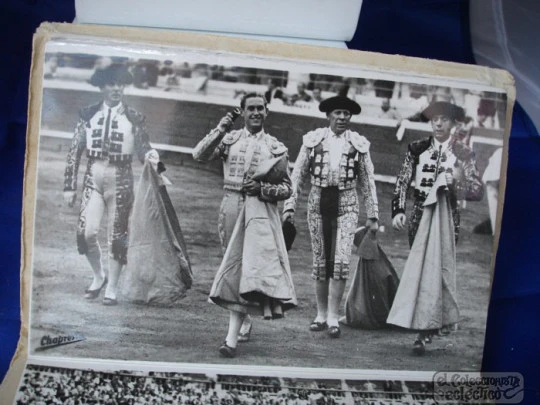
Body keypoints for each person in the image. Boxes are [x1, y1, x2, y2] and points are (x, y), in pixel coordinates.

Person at [193, 93, 295, 357]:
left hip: (258, 210)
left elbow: (287, 188)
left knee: (243, 267)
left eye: (260, 108)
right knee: (231, 263)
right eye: (251, 109)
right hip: (230, 203)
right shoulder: (230, 139)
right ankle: (243, 319)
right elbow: (199, 155)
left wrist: (262, 189)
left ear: (266, 112)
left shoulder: (275, 147)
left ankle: (230, 340)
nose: (256, 113)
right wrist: (221, 128)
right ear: (243, 111)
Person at [388, 101, 484, 355]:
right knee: (421, 269)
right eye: (434, 120)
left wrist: (457, 183)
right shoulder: (417, 148)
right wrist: (398, 210)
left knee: (440, 269)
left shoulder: (463, 153)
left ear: (453, 124)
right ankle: (424, 325)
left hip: (448, 214)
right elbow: (402, 181)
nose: (438, 124)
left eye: (443, 119)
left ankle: (426, 328)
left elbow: (476, 190)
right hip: (420, 212)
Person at [63, 63, 162, 306]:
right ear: (102, 86)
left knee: (117, 235)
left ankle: (113, 289)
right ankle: (99, 276)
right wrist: (69, 185)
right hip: (93, 175)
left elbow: (143, 149)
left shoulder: (134, 117)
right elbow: (75, 151)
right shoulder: (88, 114)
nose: (116, 88)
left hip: (121, 177)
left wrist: (153, 157)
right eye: (111, 83)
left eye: (120, 83)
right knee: (86, 233)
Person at [283, 96, 380, 338]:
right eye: (338, 112)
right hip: (317, 202)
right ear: (329, 115)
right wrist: (289, 207)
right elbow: (297, 177)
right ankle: (321, 314)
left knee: (341, 261)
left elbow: (368, 182)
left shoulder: (359, 144)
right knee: (320, 260)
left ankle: (334, 317)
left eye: (346, 113)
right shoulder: (313, 140)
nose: (342, 117)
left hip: (347, 204)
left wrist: (373, 215)